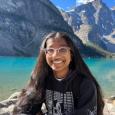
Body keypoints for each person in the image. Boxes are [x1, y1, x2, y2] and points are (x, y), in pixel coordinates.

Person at [13, 32, 104, 115]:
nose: (56, 55)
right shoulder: (42, 79)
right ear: (45, 55)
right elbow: (27, 106)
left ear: (71, 54)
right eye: (50, 50)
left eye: (62, 49)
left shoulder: (85, 84)